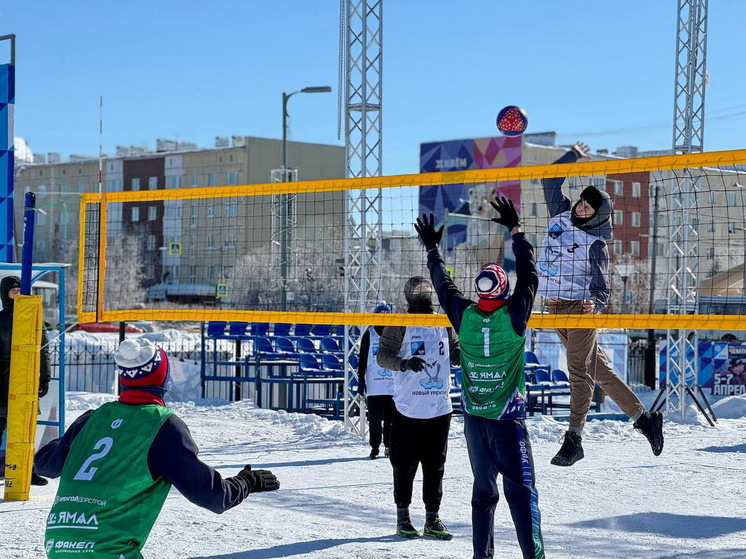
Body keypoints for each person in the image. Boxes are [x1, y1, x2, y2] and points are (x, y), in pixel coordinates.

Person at [35, 338, 280, 558]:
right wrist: (247, 482)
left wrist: (69, 440)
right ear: (162, 378)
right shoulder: (162, 425)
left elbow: (45, 465)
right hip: (107, 550)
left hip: (59, 545)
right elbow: (213, 496)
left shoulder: (91, 418)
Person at [415, 198, 545, 559]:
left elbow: (442, 285)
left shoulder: (463, 315)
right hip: (507, 421)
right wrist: (515, 231)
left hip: (475, 420)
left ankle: (481, 557)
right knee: (521, 493)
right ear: (504, 291)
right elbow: (530, 273)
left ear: (480, 291)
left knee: (483, 494)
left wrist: (432, 249)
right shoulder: (515, 314)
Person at [538, 143, 664, 466]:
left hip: (580, 311)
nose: (581, 208)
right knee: (599, 370)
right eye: (582, 202)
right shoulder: (559, 213)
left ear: (598, 215)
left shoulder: (596, 243)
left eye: (588, 208)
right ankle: (644, 419)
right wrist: (572, 156)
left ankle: (574, 438)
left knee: (578, 373)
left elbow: (602, 285)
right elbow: (549, 179)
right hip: (553, 307)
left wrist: (595, 301)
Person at [376, 276, 459, 541]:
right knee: (404, 465)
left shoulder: (444, 321)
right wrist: (403, 363)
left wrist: (462, 356)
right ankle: (403, 518)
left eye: (425, 289)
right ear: (408, 296)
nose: (422, 293)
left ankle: (432, 519)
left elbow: (455, 350)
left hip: (439, 408)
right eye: (417, 290)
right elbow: (382, 357)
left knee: (435, 466)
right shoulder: (399, 323)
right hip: (408, 408)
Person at [0, 275, 50, 486]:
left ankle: (29, 470)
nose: (18, 292)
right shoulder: (0, 319)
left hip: (26, 381)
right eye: (13, 289)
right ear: (5, 293)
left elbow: (43, 349)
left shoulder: (33, 317)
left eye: (20, 288)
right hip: (3, 384)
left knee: (26, 429)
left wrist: (44, 376)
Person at [357, 302, 396, 459]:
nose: (384, 318)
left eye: (387, 314)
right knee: (374, 420)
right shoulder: (369, 334)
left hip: (392, 385)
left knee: (391, 420)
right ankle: (375, 447)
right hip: (374, 386)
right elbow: (363, 359)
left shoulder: (395, 333)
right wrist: (360, 380)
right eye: (381, 314)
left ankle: (389, 446)